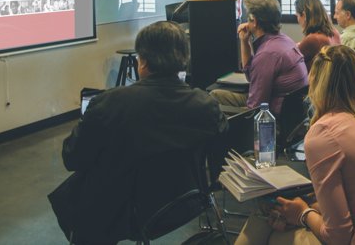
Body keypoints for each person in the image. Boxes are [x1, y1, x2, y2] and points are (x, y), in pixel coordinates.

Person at [48, 21, 229, 244]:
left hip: (121, 214)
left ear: (141, 62)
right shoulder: (206, 105)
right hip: (184, 202)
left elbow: (72, 158)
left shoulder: (109, 104)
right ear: (184, 59)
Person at [234, 45, 355, 245]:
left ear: (315, 83)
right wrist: (309, 209)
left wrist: (303, 213)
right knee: (275, 216)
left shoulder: (323, 134)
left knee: (271, 232)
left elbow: (338, 237)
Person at [210, 0, 307, 114]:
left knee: (212, 99)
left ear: (254, 21)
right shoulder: (284, 40)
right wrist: (244, 41)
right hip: (291, 115)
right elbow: (251, 76)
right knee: (216, 94)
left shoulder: (267, 54)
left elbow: (255, 108)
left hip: (272, 118)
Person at [294, 0, 341, 70]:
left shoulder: (313, 39)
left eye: (297, 15)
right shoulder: (334, 32)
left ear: (304, 15)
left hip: (315, 80)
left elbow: (291, 60)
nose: (298, 19)